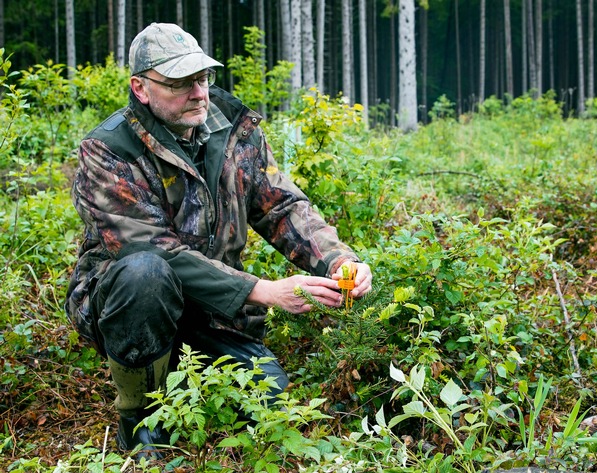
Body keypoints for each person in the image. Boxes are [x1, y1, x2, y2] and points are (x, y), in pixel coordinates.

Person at [64, 22, 372, 460]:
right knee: (144, 274)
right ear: (141, 88)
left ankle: (183, 372)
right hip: (129, 300)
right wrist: (262, 291)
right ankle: (139, 418)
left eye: (202, 78)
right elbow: (150, 249)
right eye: (180, 83)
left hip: (213, 310)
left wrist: (339, 261)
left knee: (269, 397)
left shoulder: (233, 130)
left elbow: (281, 205)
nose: (198, 93)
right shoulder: (109, 149)